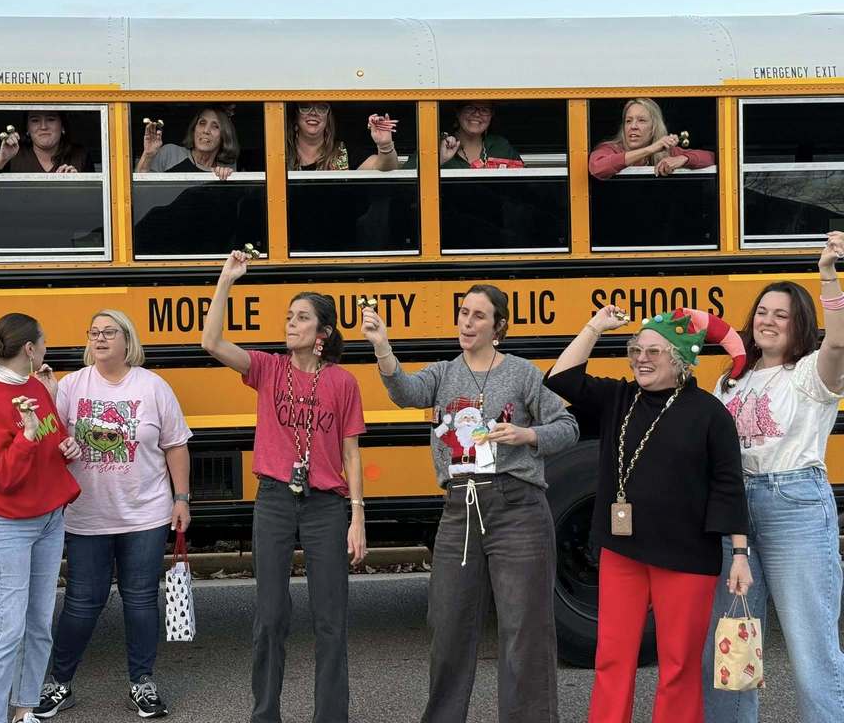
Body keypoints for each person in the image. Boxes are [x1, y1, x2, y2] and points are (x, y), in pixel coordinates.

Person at [362, 284, 577, 723]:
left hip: (517, 508)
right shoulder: (443, 374)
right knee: (448, 626)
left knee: (524, 631)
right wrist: (382, 345)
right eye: (463, 312)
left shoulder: (522, 374)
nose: (467, 322)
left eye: (479, 315)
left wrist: (527, 434)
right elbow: (404, 391)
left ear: (499, 326)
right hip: (460, 508)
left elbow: (568, 425)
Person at [545, 306, 752, 723]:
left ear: (679, 359)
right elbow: (560, 378)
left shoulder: (710, 413)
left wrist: (740, 554)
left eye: (653, 351)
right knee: (612, 657)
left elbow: (728, 486)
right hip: (622, 552)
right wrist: (594, 327)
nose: (641, 358)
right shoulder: (619, 398)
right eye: (636, 350)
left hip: (687, 558)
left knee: (678, 665)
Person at [201, 250, 367, 723]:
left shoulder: (343, 382)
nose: (291, 324)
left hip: (326, 506)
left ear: (322, 333)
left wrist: (357, 516)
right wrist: (226, 280)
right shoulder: (268, 369)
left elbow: (352, 453)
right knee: (270, 616)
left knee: (331, 620)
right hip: (274, 499)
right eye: (289, 317)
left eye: (302, 318)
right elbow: (211, 342)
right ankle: (265, 715)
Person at [702, 233, 844, 723]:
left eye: (781, 315)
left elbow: (838, 341)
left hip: (794, 504)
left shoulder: (810, 374)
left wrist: (827, 275)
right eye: (762, 312)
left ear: (799, 324)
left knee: (810, 647)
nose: (767, 320)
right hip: (734, 511)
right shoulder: (729, 380)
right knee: (732, 644)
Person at [33, 309, 192, 720]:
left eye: (109, 331)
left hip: (146, 514)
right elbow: (48, 439)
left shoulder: (153, 386)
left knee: (140, 600)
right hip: (86, 514)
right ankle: (59, 683)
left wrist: (181, 498)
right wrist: (47, 397)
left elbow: (175, 445)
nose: (100, 338)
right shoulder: (72, 385)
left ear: (127, 340)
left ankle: (142, 683)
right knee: (82, 602)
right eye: (94, 332)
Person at [0, 313, 82, 723]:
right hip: (5, 524)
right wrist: (28, 438)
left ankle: (24, 709)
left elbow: (53, 436)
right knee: (7, 630)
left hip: (47, 516)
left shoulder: (34, 386)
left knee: (38, 625)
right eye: (44, 341)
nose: (47, 347)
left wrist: (66, 446)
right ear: (30, 349)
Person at [588, 98, 715, 179]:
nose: (633, 126)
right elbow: (597, 167)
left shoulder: (666, 151)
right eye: (628, 121)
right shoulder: (611, 148)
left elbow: (711, 157)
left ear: (654, 127)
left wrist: (683, 159)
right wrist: (651, 149)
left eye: (641, 120)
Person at [286, 102, 398, 171]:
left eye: (322, 108)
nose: (314, 113)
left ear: (328, 119)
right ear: (295, 117)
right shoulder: (281, 154)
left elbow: (386, 168)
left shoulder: (345, 151)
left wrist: (385, 145)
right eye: (305, 107)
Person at [135, 106, 238, 180]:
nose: (206, 130)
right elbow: (139, 191)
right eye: (202, 123)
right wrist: (148, 155)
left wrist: (225, 179)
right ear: (194, 129)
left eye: (215, 126)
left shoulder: (224, 169)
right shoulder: (170, 153)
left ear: (224, 135)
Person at [0, 111, 89, 174]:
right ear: (27, 129)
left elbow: (92, 198)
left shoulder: (79, 155)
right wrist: (3, 158)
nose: (43, 127)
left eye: (51, 119)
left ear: (63, 126)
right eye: (35, 120)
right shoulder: (13, 150)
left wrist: (76, 183)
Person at [439, 102, 523, 169]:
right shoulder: (440, 145)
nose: (477, 114)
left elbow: (524, 181)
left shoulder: (500, 146)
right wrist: (441, 160)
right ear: (458, 112)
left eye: (484, 110)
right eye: (470, 108)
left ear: (491, 115)